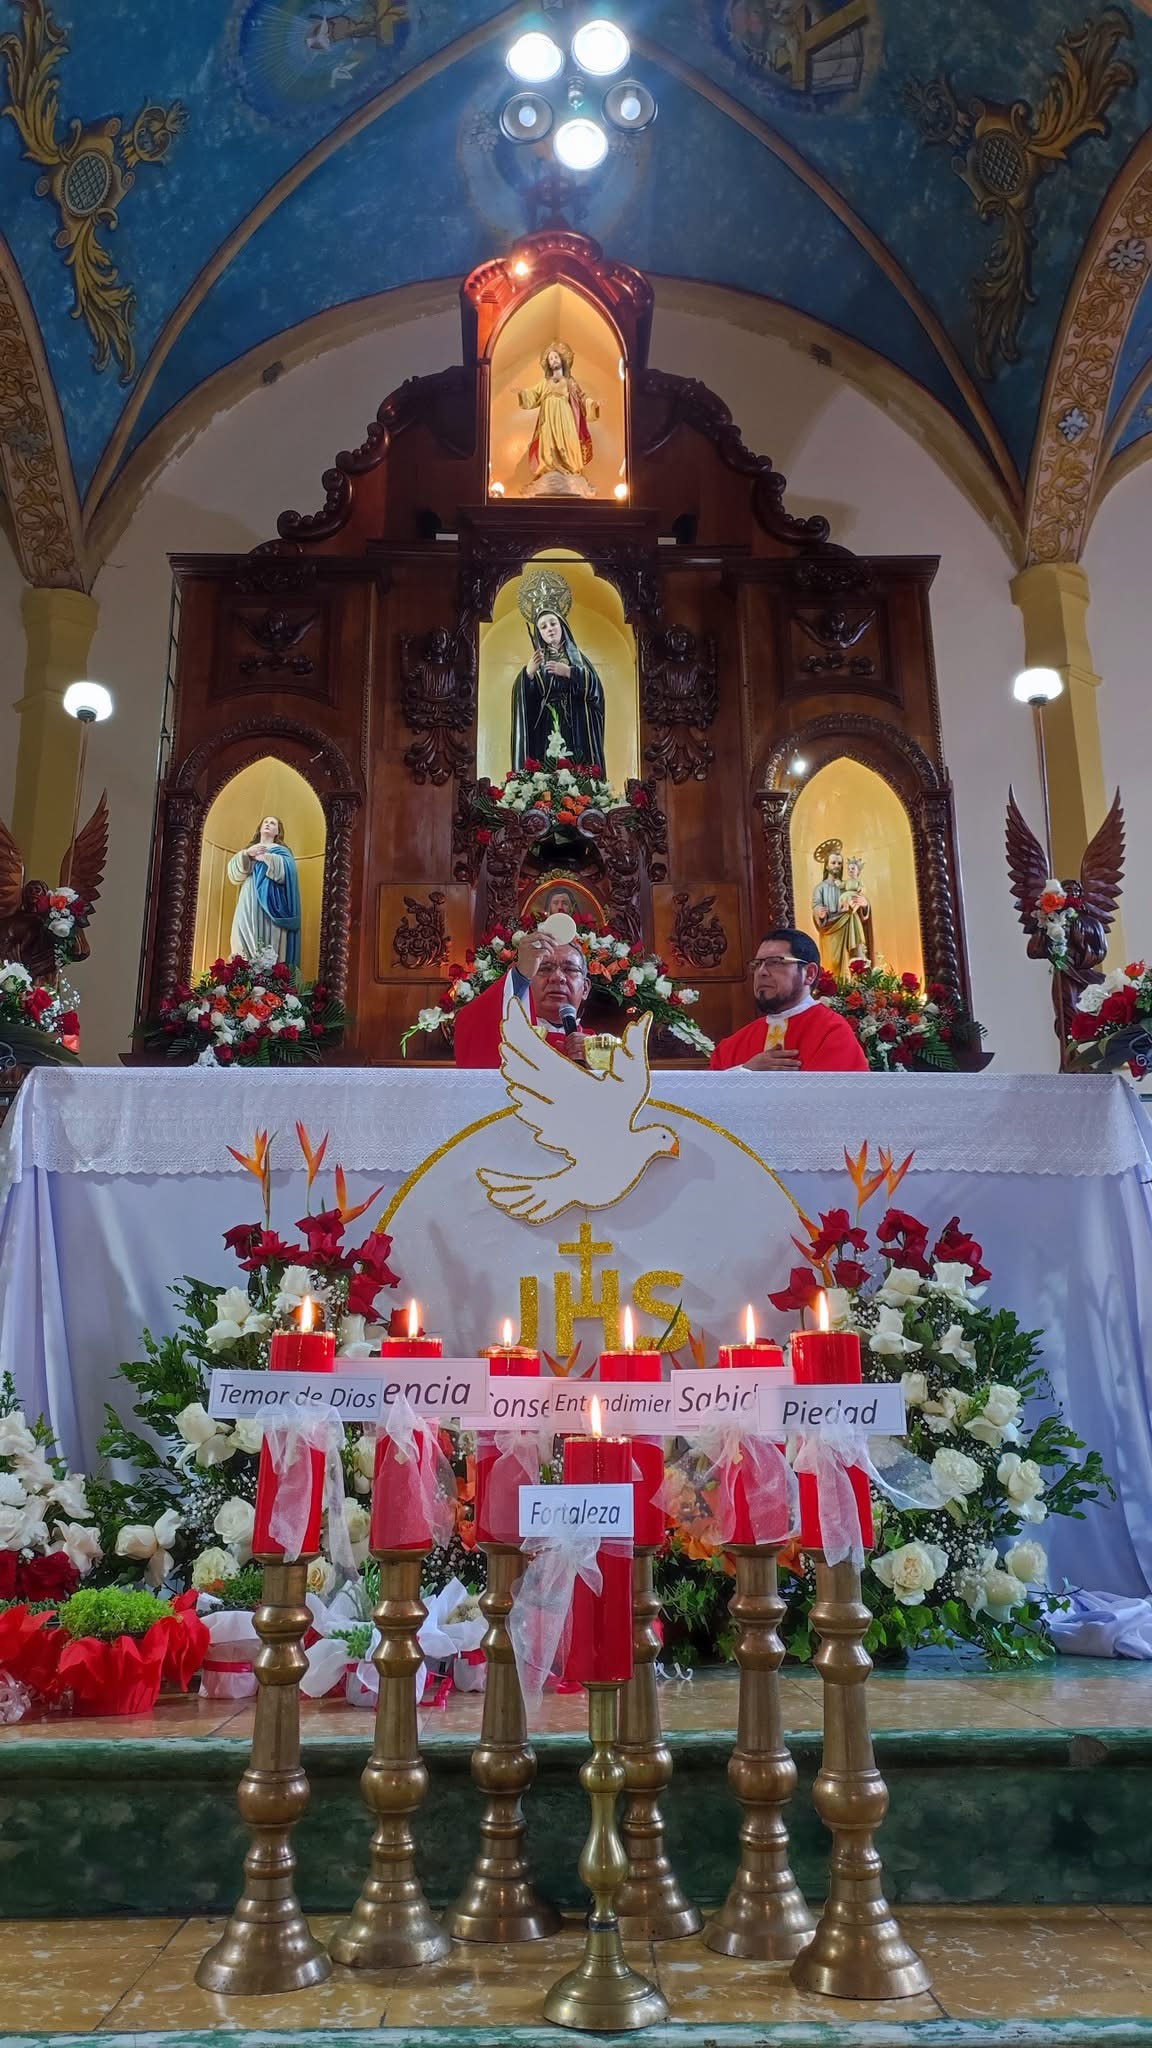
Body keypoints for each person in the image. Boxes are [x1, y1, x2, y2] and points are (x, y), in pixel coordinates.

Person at [710, 928, 868, 1072]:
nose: (761, 972)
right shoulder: (732, 1046)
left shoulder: (832, 1033)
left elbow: (839, 1099)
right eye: (757, 964)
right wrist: (746, 1071)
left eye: (775, 962)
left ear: (810, 973)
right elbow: (706, 1097)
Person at [454, 925, 591, 1069]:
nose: (557, 977)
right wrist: (520, 975)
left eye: (570, 969)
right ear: (528, 981)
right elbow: (472, 1022)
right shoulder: (511, 1036)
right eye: (544, 968)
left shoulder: (605, 1051)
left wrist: (597, 1068)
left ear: (585, 988)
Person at [511, 600, 606, 772]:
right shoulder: (537, 661)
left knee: (574, 766)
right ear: (539, 633)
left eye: (553, 623)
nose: (549, 629)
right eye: (543, 626)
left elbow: (596, 691)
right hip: (546, 726)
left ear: (562, 626)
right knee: (548, 768)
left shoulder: (578, 659)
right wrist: (528, 675)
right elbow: (527, 703)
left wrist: (570, 672)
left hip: (575, 724)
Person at [518, 340, 599, 491]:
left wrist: (592, 404)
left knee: (566, 443)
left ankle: (568, 468)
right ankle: (549, 470)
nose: (553, 360)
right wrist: (522, 393)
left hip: (565, 417)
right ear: (548, 364)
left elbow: (582, 397)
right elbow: (533, 395)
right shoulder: (545, 382)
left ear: (562, 359)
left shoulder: (569, 381)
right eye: (550, 359)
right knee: (547, 444)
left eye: (555, 357)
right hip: (547, 419)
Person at [226, 815, 301, 967]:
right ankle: (242, 972)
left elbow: (288, 872)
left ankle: (267, 975)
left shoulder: (282, 852)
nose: (268, 824)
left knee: (268, 933)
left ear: (277, 832)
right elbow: (234, 875)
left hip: (271, 900)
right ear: (260, 828)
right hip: (249, 894)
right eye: (265, 822)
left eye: (272, 823)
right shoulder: (249, 850)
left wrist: (266, 858)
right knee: (242, 928)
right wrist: (247, 854)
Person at [812, 838, 871, 976]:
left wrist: (865, 904)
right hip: (831, 929)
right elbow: (816, 906)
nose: (837, 866)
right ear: (826, 866)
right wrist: (819, 913)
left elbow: (857, 897)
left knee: (855, 960)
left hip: (851, 926)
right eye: (833, 863)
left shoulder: (847, 885)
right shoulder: (820, 888)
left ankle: (856, 992)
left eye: (839, 863)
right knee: (833, 964)